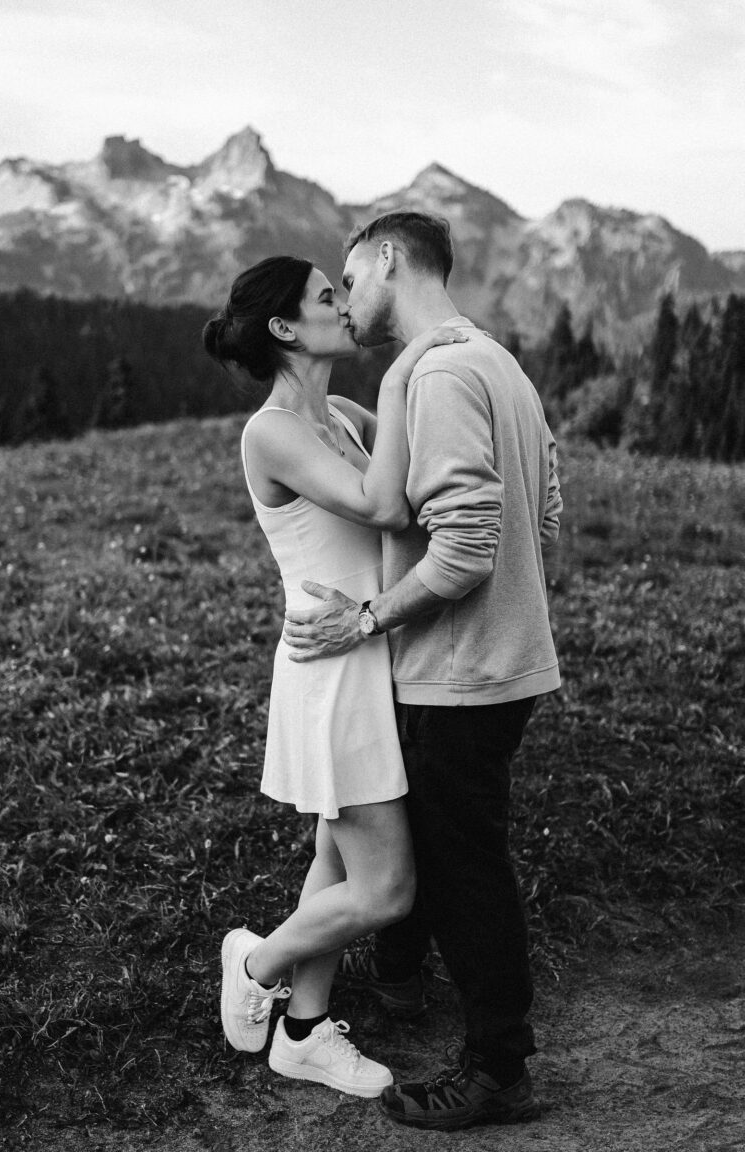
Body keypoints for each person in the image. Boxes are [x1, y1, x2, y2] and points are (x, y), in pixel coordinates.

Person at [281, 211, 563, 1131]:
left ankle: (497, 1070)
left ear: (390, 261)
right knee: (446, 843)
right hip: (504, 662)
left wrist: (368, 617)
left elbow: (468, 546)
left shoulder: (437, 372)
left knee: (462, 868)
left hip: (460, 673)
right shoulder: (497, 362)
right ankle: (401, 981)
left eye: (352, 282)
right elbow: (543, 512)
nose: (349, 303)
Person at [202, 256, 466, 1099]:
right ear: (286, 329)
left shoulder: (341, 414)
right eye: (327, 296)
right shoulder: (270, 431)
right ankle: (258, 961)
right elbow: (384, 506)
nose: (345, 305)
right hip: (330, 673)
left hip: (366, 650)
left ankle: (306, 1034)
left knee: (335, 856)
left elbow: (425, 488)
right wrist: (401, 380)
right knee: (387, 888)